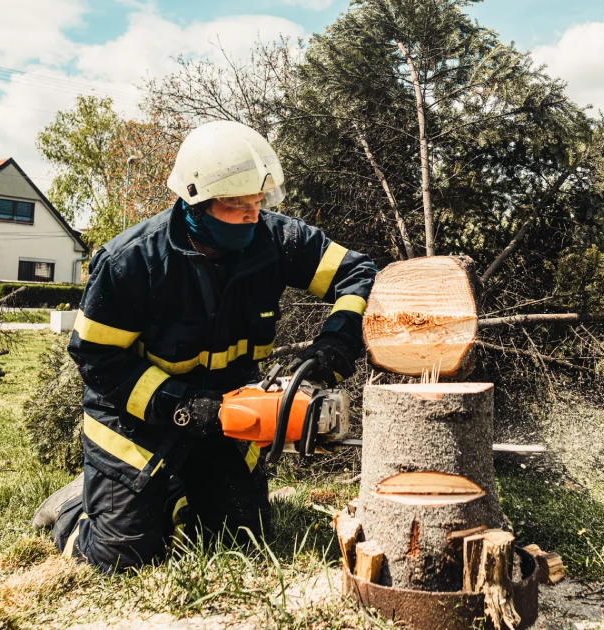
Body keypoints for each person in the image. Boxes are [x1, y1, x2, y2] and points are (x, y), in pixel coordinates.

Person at [31, 120, 377, 572]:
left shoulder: (277, 240)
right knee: (121, 556)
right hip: (133, 420)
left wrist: (335, 343)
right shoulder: (131, 261)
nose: (253, 216)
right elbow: (97, 359)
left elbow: (358, 273)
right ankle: (73, 507)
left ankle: (174, 493)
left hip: (227, 412)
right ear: (196, 202)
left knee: (242, 538)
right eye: (237, 205)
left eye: (258, 202)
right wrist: (183, 407)